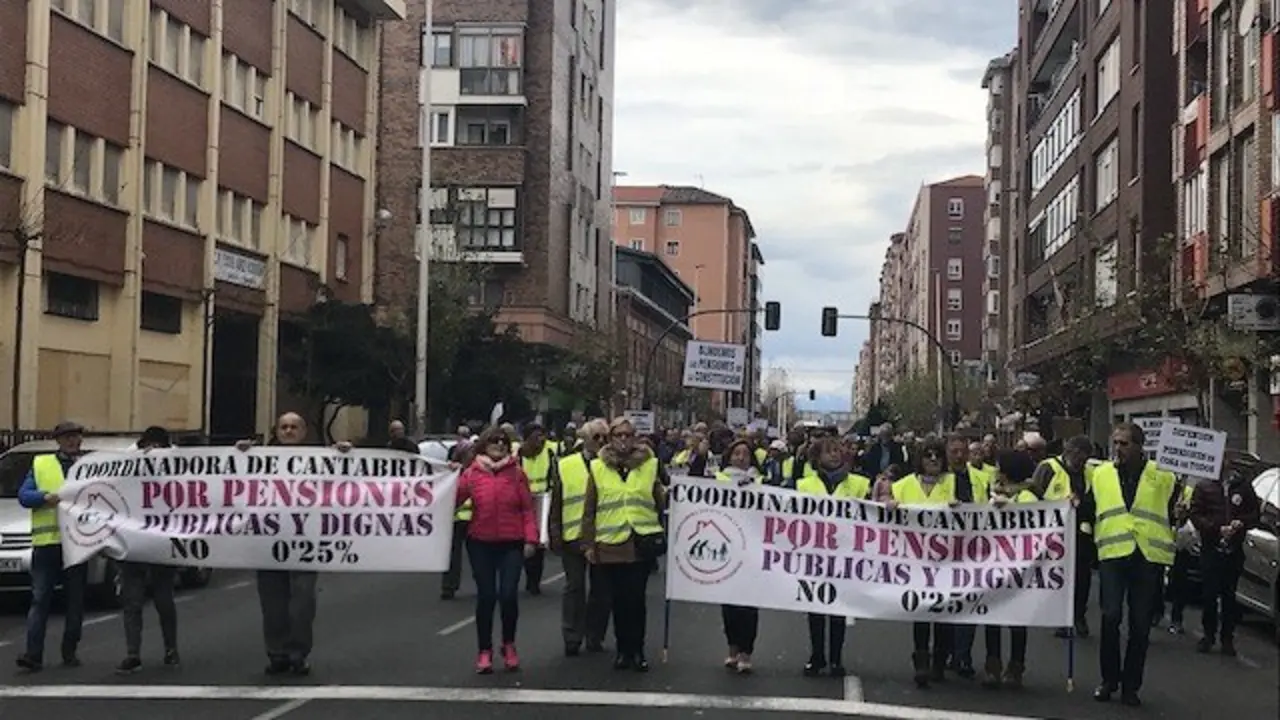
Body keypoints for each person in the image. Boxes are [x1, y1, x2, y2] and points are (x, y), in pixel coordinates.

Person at [235, 412, 353, 676]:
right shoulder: (259, 459)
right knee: (272, 605)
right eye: (284, 427)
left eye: (294, 427)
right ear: (277, 431)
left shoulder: (321, 459)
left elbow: (348, 484)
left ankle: (298, 653)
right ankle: (277, 654)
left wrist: (345, 455)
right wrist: (241, 454)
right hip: (268, 543)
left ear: (303, 432)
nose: (288, 431)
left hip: (305, 544)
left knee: (302, 604)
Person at [1090, 422, 1179, 707]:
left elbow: (1175, 506)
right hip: (1113, 553)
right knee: (1110, 616)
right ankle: (1109, 679)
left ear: (1140, 447)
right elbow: (1090, 508)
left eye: (1124, 444)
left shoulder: (1162, 475)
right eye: (1115, 443)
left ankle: (1131, 686)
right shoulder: (1101, 473)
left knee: (1140, 625)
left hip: (1146, 556)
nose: (1118, 449)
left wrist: (1183, 508)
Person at [582, 416, 666, 671]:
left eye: (628, 435)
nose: (623, 440)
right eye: (618, 435)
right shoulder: (598, 467)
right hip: (610, 544)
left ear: (635, 438)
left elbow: (659, 501)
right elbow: (590, 508)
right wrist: (588, 544)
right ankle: (622, 651)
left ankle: (637, 650)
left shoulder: (649, 464)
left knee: (636, 600)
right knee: (618, 601)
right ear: (610, 439)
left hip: (640, 542)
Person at [455, 427, 538, 673]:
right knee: (487, 596)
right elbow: (452, 498)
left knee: (508, 595)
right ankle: (484, 650)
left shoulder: (517, 474)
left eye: (504, 441)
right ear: (484, 445)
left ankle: (508, 644)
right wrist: (449, 477)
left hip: (511, 542)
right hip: (480, 542)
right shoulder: (472, 474)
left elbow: (527, 509)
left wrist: (531, 540)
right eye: (494, 441)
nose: (500, 445)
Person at [887, 438, 961, 688]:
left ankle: (939, 661)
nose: (933, 459)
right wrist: (890, 506)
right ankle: (921, 661)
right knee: (920, 610)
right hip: (915, 560)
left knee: (943, 613)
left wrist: (961, 507)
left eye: (937, 455)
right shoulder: (902, 486)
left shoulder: (954, 482)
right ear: (919, 459)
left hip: (948, 559)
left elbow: (975, 512)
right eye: (928, 455)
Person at [795, 436, 871, 677]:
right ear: (817, 458)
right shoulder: (804, 485)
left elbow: (873, 514)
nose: (835, 455)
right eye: (829, 451)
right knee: (815, 608)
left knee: (838, 608)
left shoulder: (859, 484)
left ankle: (836, 659)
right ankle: (817, 655)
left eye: (837, 450)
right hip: (815, 556)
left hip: (845, 556)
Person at [15, 421, 88, 672]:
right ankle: (33, 655)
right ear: (58, 441)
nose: (72, 441)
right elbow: (24, 496)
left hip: (77, 544)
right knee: (40, 599)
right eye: (67, 437)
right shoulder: (42, 464)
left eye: (75, 436)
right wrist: (43, 497)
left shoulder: (89, 466)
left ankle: (70, 652)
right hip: (47, 544)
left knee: (75, 601)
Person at [117, 426, 181, 674]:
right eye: (149, 446)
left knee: (163, 598)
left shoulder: (178, 463)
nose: (153, 450)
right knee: (132, 600)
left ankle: (171, 649)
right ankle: (132, 653)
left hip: (161, 540)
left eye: (157, 447)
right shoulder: (127, 461)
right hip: (133, 539)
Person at [549, 419, 610, 656]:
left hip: (603, 535)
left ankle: (595, 635)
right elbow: (556, 501)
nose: (601, 442)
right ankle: (572, 636)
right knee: (574, 587)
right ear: (585, 439)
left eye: (605, 438)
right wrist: (554, 532)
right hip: (572, 536)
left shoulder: (611, 465)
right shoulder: (566, 465)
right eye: (597, 437)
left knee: (601, 590)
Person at [1189, 456, 1261, 656]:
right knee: (1209, 594)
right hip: (1211, 549)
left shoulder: (1242, 486)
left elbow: (1254, 514)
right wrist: (1215, 528)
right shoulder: (1204, 486)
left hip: (1234, 551)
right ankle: (1208, 635)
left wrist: (1241, 523)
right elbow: (1196, 515)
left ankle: (1227, 638)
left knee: (1229, 596)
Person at [982, 449, 1040, 689]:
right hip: (995, 563)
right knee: (992, 615)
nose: (996, 471)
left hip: (1019, 567)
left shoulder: (1027, 497)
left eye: (999, 467)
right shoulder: (994, 494)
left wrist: (1009, 508)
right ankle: (992, 663)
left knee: (1017, 618)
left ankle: (1016, 665)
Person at [1028, 434, 1096, 638]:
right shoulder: (1048, 468)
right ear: (1069, 452)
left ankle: (1078, 616)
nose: (1080, 462)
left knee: (1082, 577)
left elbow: (1095, 498)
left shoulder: (1091, 472)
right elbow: (1033, 497)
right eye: (1078, 457)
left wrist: (1081, 504)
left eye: (1084, 459)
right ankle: (1061, 618)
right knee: (1058, 577)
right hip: (1054, 534)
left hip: (1081, 533)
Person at [715, 440, 763, 673]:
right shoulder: (718, 479)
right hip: (727, 547)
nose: (741, 457)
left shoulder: (761, 482)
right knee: (730, 604)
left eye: (745, 454)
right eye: (736, 453)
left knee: (749, 604)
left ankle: (746, 651)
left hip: (753, 548)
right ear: (729, 457)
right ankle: (732, 648)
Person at [518, 423, 556, 594]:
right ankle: (528, 574)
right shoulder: (519, 455)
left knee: (539, 542)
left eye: (542, 436)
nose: (540, 440)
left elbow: (554, 475)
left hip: (543, 500)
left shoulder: (549, 453)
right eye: (536, 437)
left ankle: (534, 582)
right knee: (525, 540)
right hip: (523, 501)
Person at [441, 438, 476, 600]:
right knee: (452, 556)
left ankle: (484, 583)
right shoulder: (450, 472)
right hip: (455, 519)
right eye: (469, 452)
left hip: (474, 519)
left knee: (479, 556)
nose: (472, 455)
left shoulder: (479, 471)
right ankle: (449, 586)